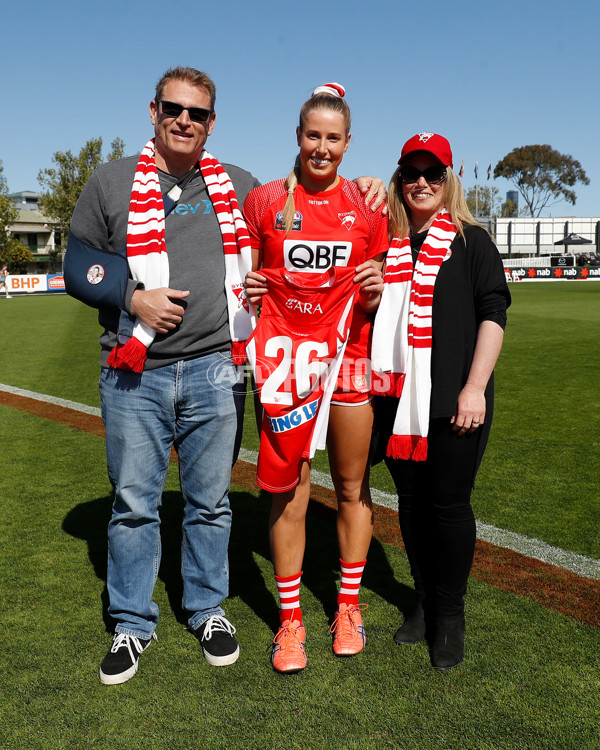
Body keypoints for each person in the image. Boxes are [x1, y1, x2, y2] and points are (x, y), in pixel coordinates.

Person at [66, 66, 260, 685]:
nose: (184, 120)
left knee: (210, 504)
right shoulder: (111, 181)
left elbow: (302, 210)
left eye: (197, 113)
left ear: (211, 123)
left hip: (217, 370)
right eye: (173, 109)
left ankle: (206, 608)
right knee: (132, 504)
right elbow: (76, 263)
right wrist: (131, 295)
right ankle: (131, 621)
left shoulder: (241, 185)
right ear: (153, 112)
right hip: (135, 374)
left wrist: (365, 186)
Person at [243, 83, 388, 674]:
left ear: (348, 143)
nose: (322, 147)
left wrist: (375, 293)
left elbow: (378, 294)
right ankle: (292, 623)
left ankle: (347, 608)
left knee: (351, 488)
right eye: (313, 135)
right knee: (289, 491)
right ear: (298, 137)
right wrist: (253, 290)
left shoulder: (370, 206)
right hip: (286, 364)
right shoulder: (265, 203)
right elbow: (248, 282)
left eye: (333, 138)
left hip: (348, 360)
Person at [370, 132, 510, 671]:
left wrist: (474, 387)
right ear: (400, 179)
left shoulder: (472, 241)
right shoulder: (387, 243)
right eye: (412, 173)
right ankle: (423, 602)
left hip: (455, 399)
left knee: (449, 507)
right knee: (410, 505)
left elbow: (493, 315)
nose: (422, 183)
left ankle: (450, 615)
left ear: (449, 178)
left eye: (433, 173)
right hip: (399, 401)